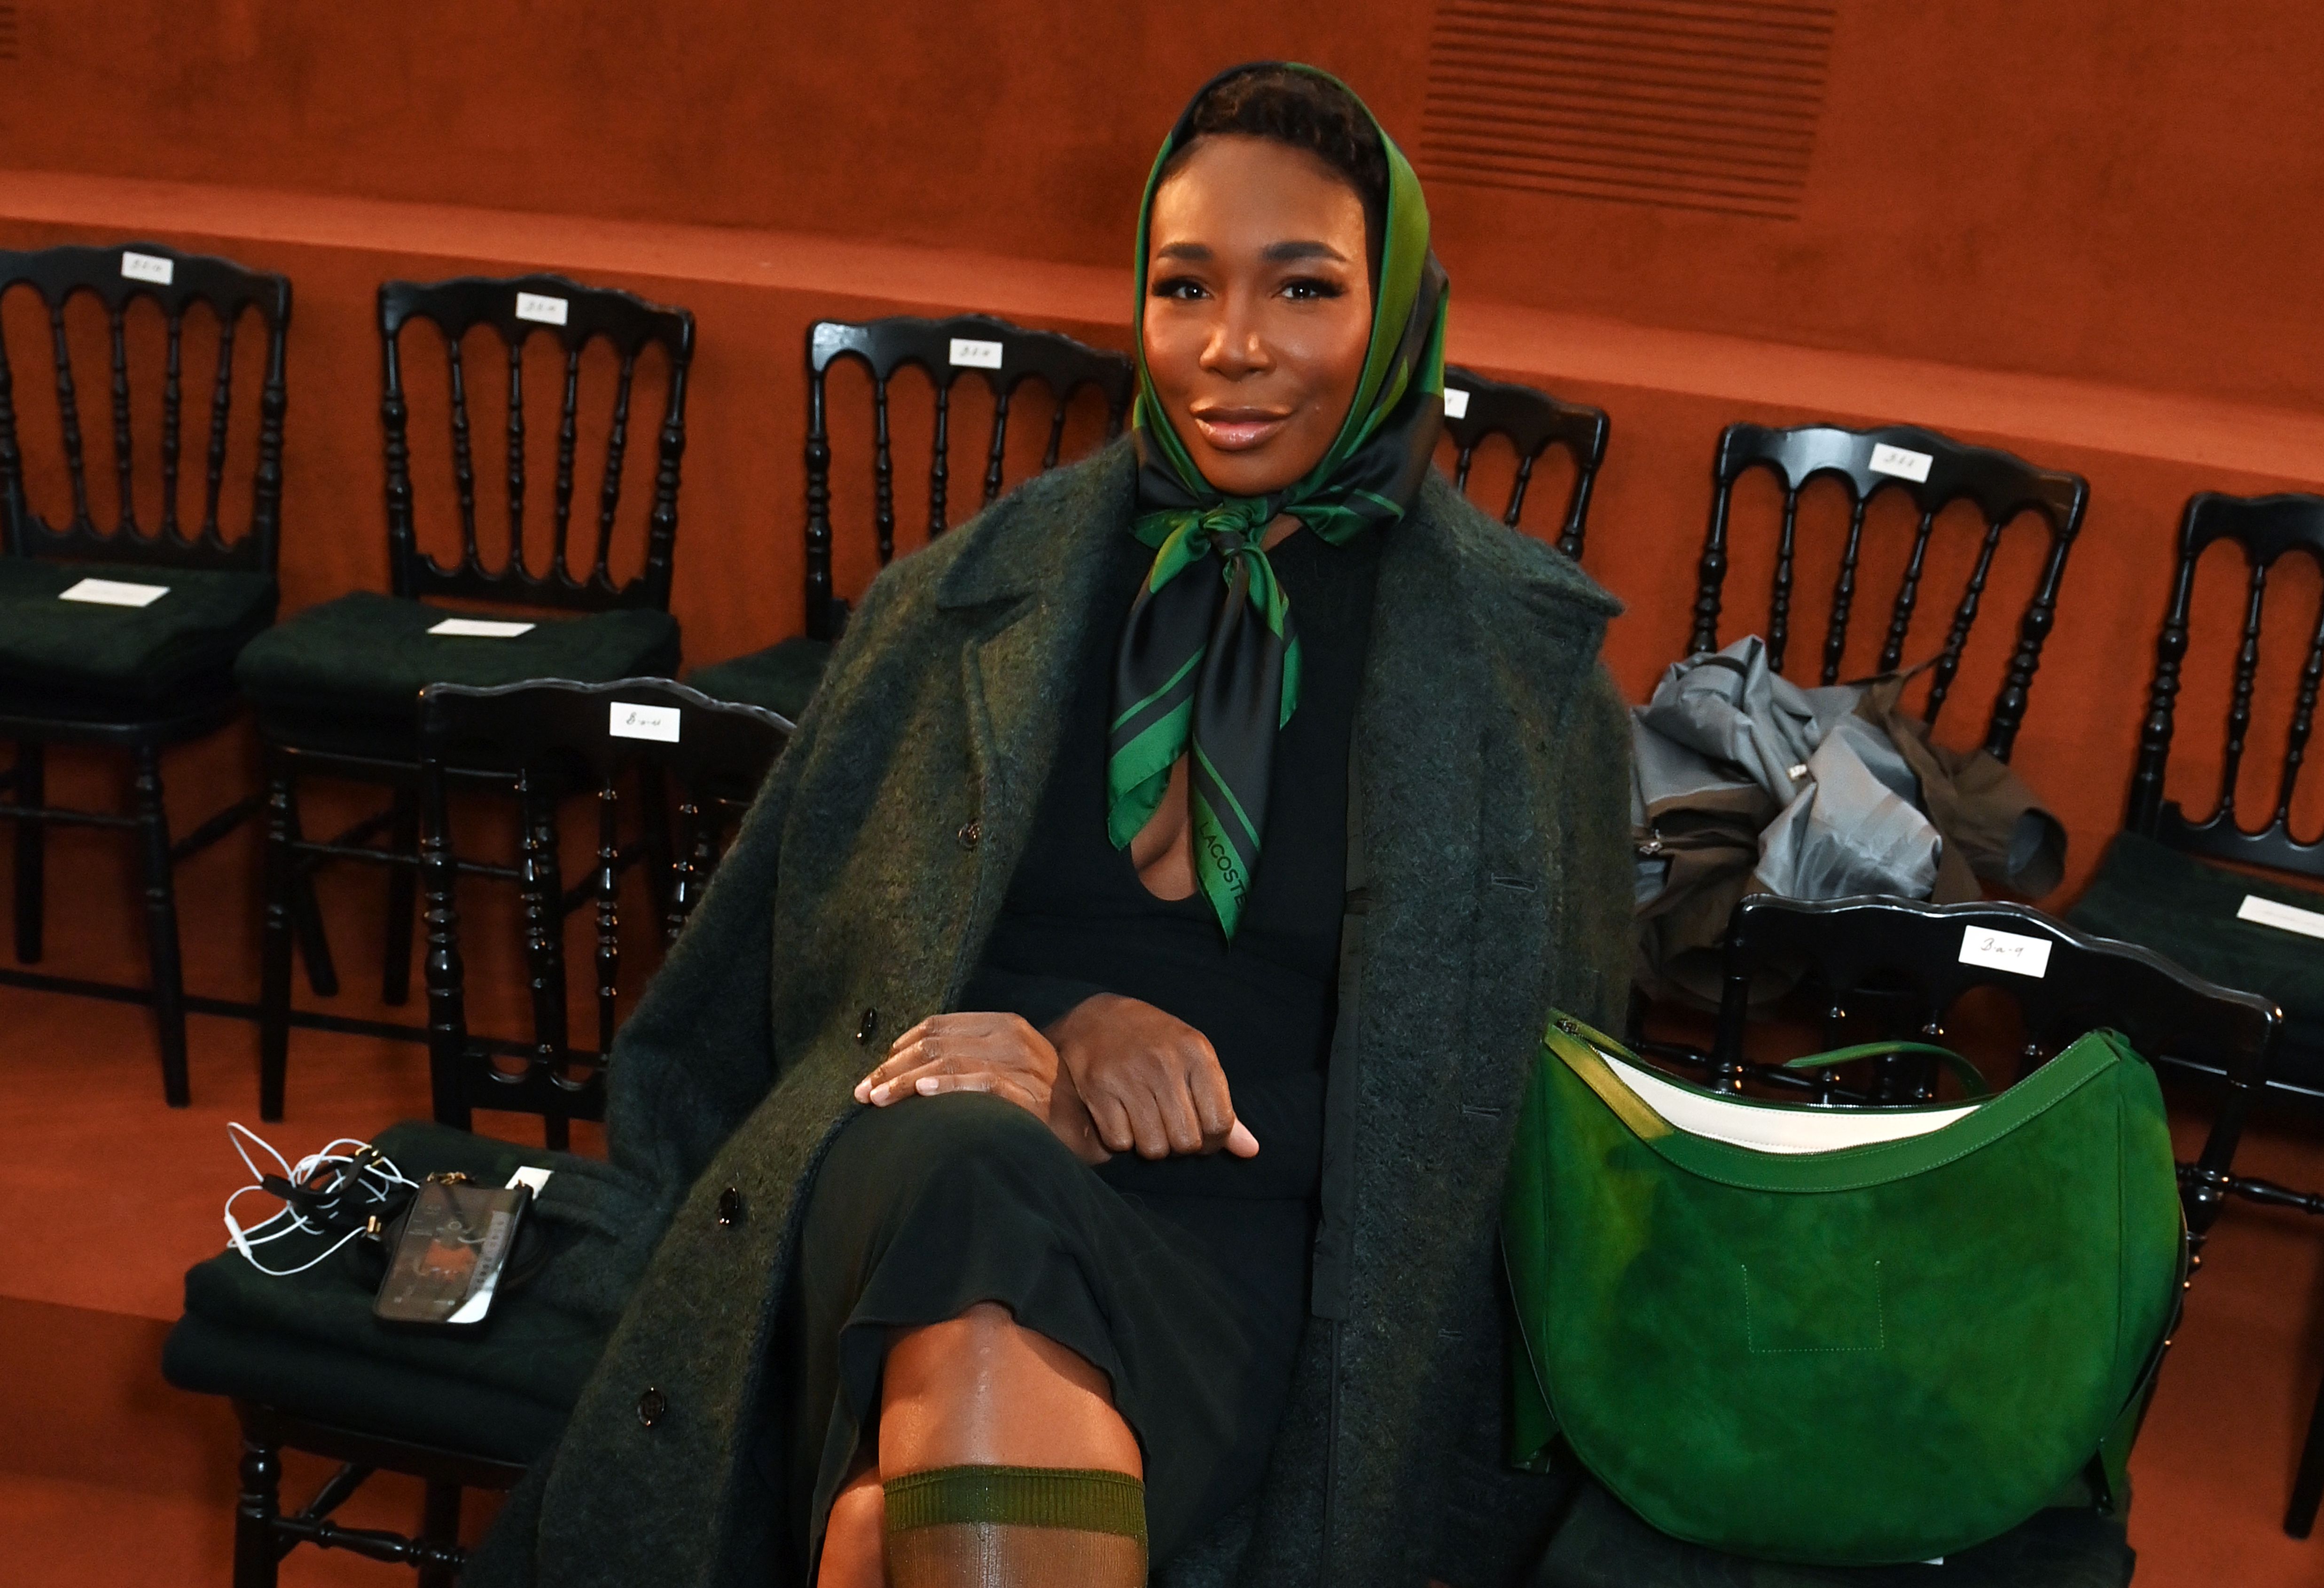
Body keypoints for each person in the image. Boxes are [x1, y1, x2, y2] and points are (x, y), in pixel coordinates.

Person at [466, 62, 1633, 1588]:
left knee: (898, 1528)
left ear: (1399, 311)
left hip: (1275, 1250)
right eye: (1184, 285)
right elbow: (809, 985)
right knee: (969, 1166)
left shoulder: (1523, 681)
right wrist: (1051, 1029)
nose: (1232, 346)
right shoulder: (966, 596)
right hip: (924, 1173)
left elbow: (1518, 1116)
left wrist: (1163, 1097)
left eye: (1303, 288)